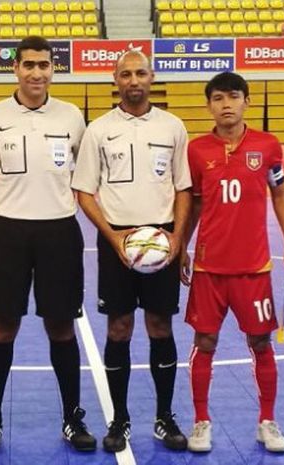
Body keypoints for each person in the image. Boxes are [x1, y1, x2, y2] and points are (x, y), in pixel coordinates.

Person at [0, 35, 96, 455]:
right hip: (7, 233)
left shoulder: (72, 116)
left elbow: (87, 174)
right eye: (29, 65)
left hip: (59, 232)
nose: (37, 72)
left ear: (53, 69)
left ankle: (72, 416)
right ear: (15, 68)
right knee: (2, 327)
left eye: (44, 65)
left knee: (61, 326)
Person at [71, 50, 191, 453]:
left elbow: (183, 188)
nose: (134, 80)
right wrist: (112, 236)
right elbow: (84, 191)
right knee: (118, 328)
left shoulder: (173, 127)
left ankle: (164, 416)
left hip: (162, 240)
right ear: (115, 79)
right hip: (117, 243)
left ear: (152, 77)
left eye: (141, 73)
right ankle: (119, 419)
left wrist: (178, 240)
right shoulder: (99, 130)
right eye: (126, 74)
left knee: (161, 327)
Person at [181, 72, 284, 453]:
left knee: (261, 343)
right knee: (205, 341)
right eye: (218, 98)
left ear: (247, 101)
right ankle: (201, 421)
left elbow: (280, 195)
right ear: (209, 106)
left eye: (233, 97)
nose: (226, 105)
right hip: (208, 268)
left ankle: (267, 420)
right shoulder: (196, 150)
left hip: (253, 269)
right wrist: (182, 245)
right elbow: (196, 202)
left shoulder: (268, 146)